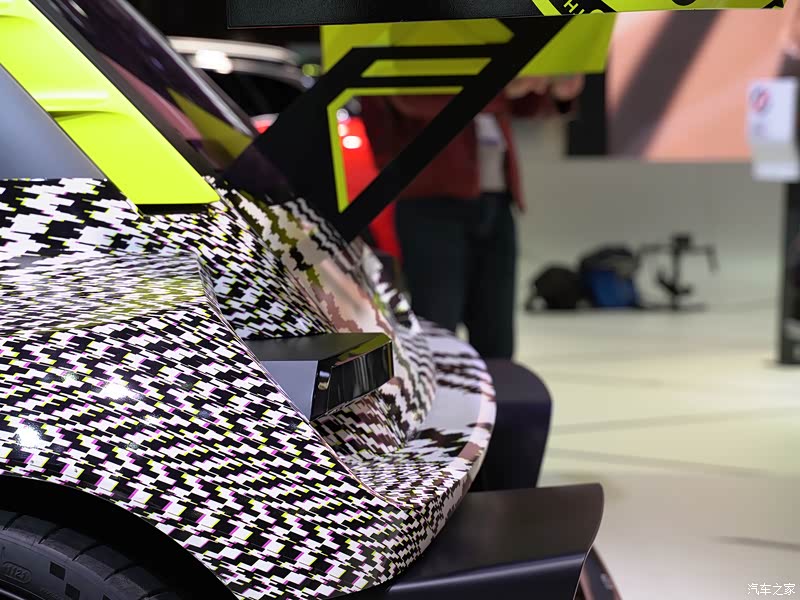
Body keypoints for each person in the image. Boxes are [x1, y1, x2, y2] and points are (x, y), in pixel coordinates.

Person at [360, 76, 584, 359]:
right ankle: (439, 387)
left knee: (496, 331)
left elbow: (522, 105)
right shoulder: (405, 61)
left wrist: (555, 92)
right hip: (431, 200)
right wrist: (500, 87)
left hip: (496, 199)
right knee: (439, 324)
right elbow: (412, 99)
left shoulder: (488, 79)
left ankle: (496, 387)